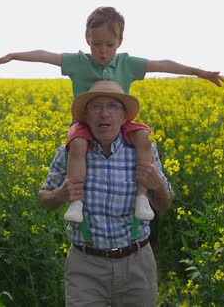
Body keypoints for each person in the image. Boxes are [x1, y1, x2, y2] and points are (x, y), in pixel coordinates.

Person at [0, 6, 223, 224]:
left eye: (109, 45)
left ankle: (142, 197)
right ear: (87, 39)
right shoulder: (78, 62)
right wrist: (13, 55)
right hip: (85, 125)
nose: (102, 51)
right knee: (77, 144)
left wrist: (199, 72)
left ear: (119, 42)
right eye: (96, 44)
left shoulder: (127, 64)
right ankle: (76, 203)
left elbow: (165, 64)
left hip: (121, 123)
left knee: (143, 140)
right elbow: (44, 55)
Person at [38, 80, 174, 306]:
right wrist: (59, 195)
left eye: (113, 106)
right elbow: (45, 198)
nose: (104, 114)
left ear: (124, 117)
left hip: (137, 262)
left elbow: (164, 204)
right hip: (85, 265)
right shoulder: (70, 151)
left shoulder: (144, 151)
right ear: (86, 116)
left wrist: (158, 185)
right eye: (96, 107)